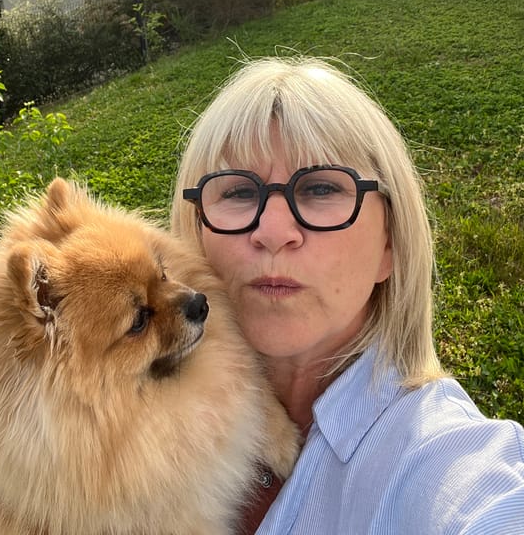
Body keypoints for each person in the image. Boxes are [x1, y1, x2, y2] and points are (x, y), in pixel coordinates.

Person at [170, 55, 524, 535]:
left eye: (319, 188)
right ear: (194, 232)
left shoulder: (436, 459)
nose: (273, 231)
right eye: (237, 193)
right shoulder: (122, 415)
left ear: (389, 244)